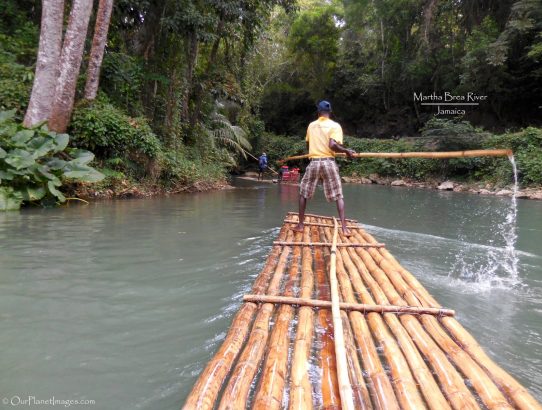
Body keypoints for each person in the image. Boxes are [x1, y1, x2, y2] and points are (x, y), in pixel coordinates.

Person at [293, 100, 355, 236]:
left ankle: (300, 225)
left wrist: (311, 154)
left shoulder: (311, 126)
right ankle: (344, 228)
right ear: (330, 112)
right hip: (328, 162)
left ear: (318, 112)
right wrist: (346, 151)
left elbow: (308, 145)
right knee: (339, 195)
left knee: (303, 192)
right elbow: (332, 145)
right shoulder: (335, 126)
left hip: (314, 161)